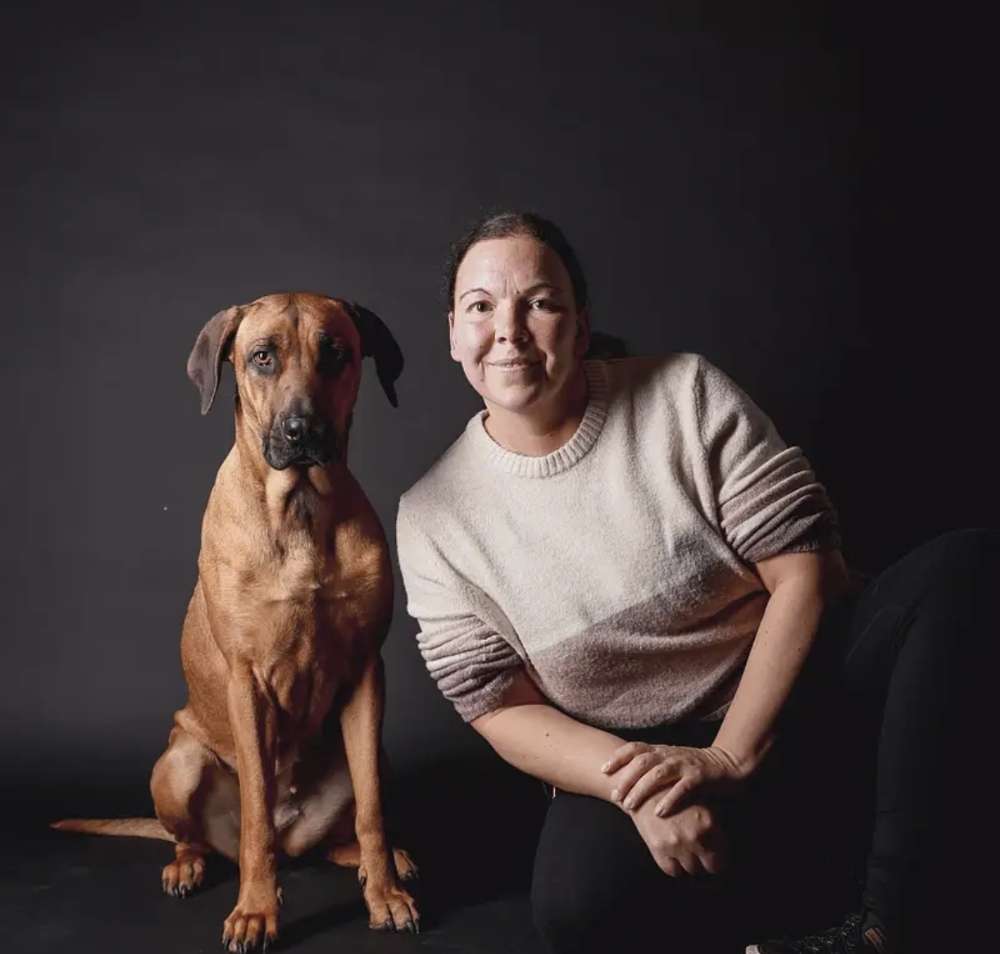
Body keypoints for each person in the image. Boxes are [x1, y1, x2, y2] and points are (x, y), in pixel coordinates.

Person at [394, 211, 996, 954]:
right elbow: (498, 707)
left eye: (540, 302)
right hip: (642, 743)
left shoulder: (684, 393)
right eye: (481, 306)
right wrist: (637, 789)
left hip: (810, 684)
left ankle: (885, 929)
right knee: (577, 908)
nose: (509, 329)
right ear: (453, 333)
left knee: (965, 568)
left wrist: (730, 757)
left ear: (580, 327)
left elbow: (807, 572)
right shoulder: (432, 516)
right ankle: (807, 876)